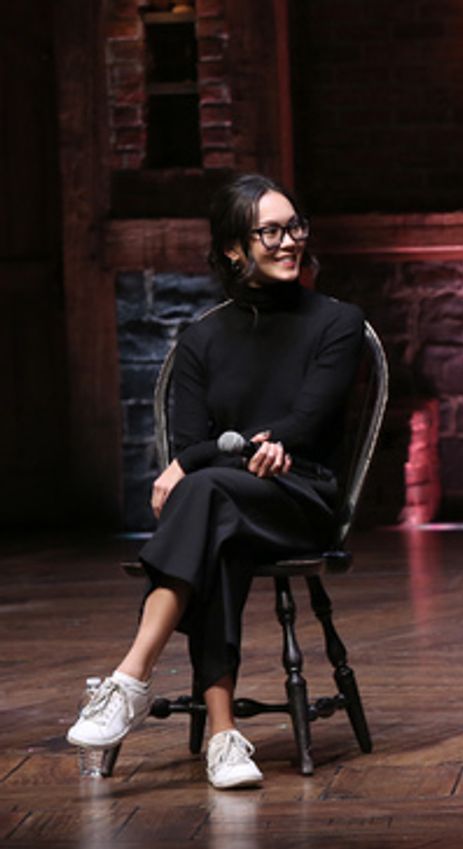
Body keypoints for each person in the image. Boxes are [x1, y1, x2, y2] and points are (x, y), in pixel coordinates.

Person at [66, 174, 365, 789]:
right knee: (216, 527)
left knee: (202, 495)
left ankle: (129, 680)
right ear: (235, 248)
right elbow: (185, 441)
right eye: (271, 231)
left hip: (300, 498)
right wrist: (204, 458)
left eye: (295, 227)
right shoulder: (202, 337)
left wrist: (202, 459)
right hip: (227, 502)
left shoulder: (337, 323)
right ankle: (224, 737)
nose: (290, 242)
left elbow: (304, 423)